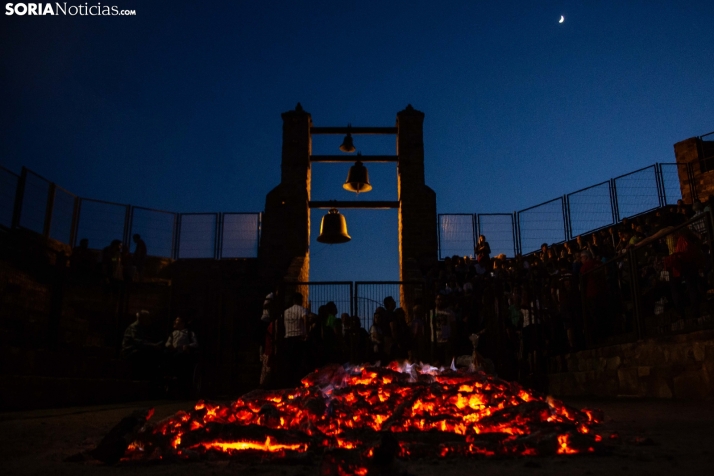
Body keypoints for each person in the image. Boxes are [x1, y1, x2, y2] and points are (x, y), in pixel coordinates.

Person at [121, 310, 162, 380]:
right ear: (142, 318)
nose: (149, 320)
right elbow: (138, 342)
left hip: (135, 349)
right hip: (130, 351)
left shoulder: (141, 328)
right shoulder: (134, 327)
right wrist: (153, 345)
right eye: (147, 318)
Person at [283, 292, 308, 384]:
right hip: (299, 338)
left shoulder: (286, 311)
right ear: (300, 300)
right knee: (299, 362)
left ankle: (288, 382)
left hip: (288, 338)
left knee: (289, 362)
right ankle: (298, 382)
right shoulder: (302, 309)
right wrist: (307, 332)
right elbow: (305, 319)